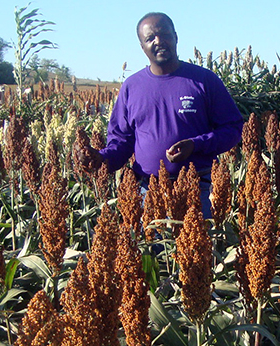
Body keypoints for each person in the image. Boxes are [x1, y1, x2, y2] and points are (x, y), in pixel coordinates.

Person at [82, 12, 243, 218]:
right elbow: (121, 142)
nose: (158, 41)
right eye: (150, 38)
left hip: (197, 188)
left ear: (176, 36)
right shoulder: (132, 87)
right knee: (152, 250)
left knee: (197, 248)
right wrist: (100, 159)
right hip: (147, 190)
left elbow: (233, 128)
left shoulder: (203, 80)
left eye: (164, 34)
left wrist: (196, 145)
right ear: (142, 46)